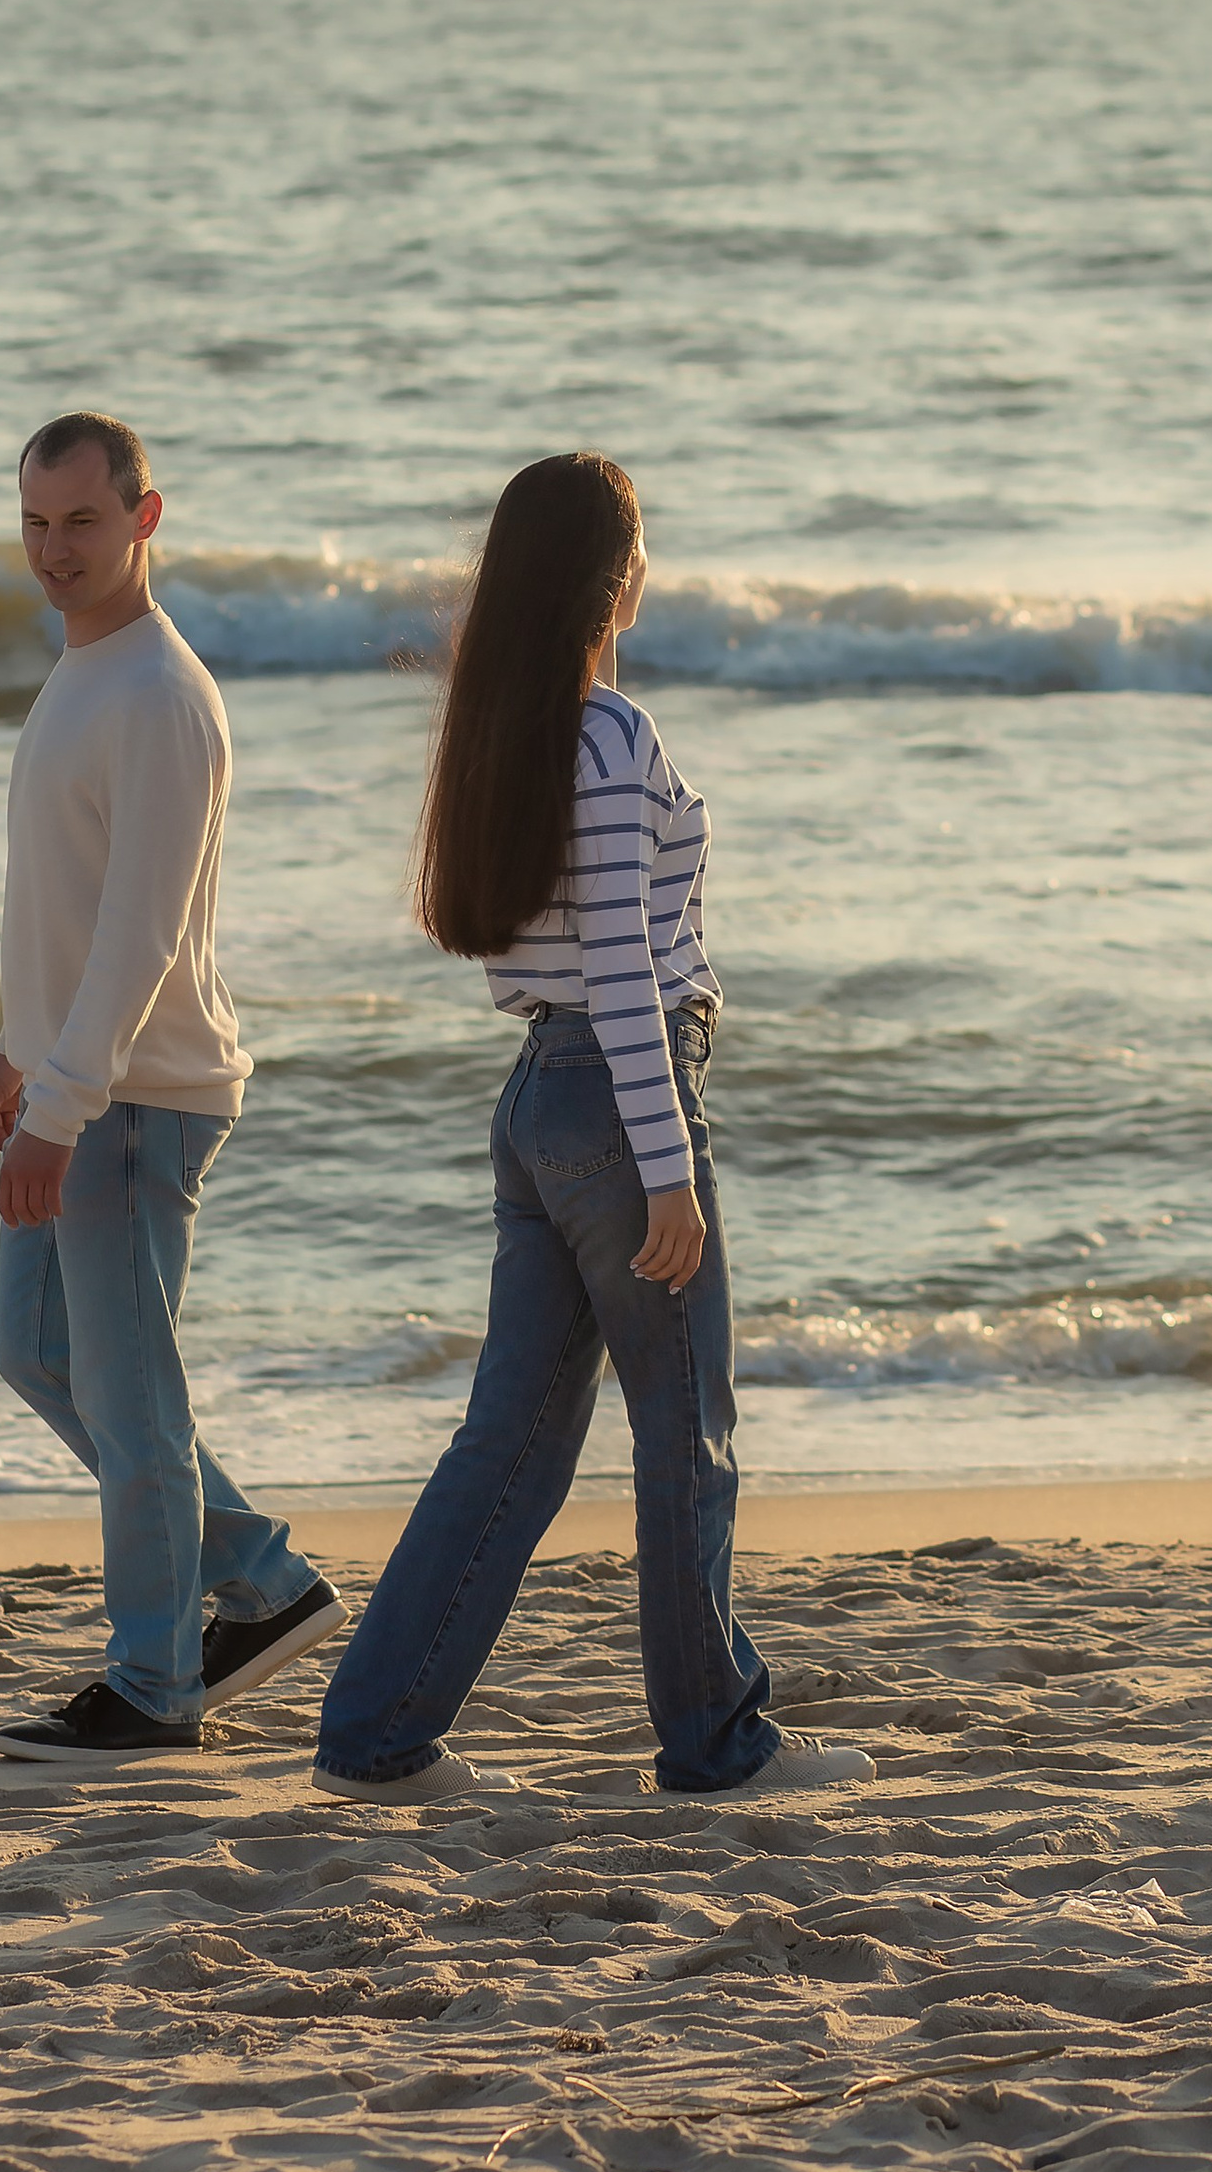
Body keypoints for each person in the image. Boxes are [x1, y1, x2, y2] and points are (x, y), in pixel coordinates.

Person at [314, 452, 872, 1802]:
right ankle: (715, 1740)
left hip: (536, 1100)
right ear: (615, 576)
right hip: (624, 1099)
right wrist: (668, 1168)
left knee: (511, 1439)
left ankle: (372, 1730)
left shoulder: (498, 730)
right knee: (684, 1429)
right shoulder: (610, 735)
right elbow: (623, 962)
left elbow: (539, 953)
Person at [0, 409, 343, 1762]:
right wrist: (23, 1042)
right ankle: (265, 1581)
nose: (55, 549)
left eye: (82, 520)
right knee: (44, 1357)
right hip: (82, 1077)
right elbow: (74, 902)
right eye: (35, 521)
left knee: (133, 1403)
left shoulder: (160, 693)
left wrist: (61, 1109)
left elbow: (143, 935)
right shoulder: (84, 669)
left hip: (139, 1098)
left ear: (145, 517)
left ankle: (153, 1683)